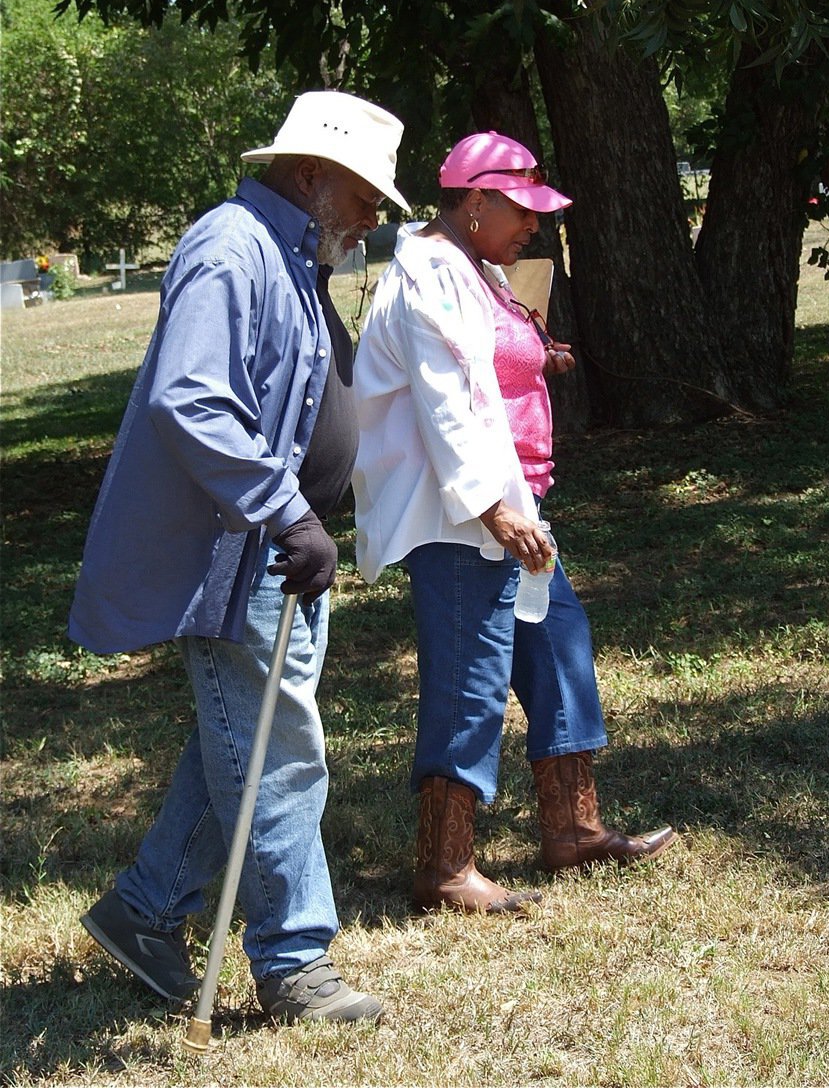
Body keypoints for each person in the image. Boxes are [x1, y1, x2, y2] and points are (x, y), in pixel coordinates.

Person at [69, 90, 410, 1022]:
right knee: (280, 755)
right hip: (249, 546)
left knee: (240, 744)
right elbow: (191, 397)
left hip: (276, 547)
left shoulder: (291, 257)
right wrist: (287, 510)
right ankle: (296, 965)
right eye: (368, 194)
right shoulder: (232, 248)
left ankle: (144, 911)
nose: (376, 216)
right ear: (313, 178)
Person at [352, 131, 676, 914]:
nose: (533, 226)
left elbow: (488, 369)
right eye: (521, 211)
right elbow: (442, 401)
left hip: (511, 505)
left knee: (558, 641)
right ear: (473, 204)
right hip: (462, 515)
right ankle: (444, 868)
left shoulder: (475, 268)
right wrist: (491, 508)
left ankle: (573, 830)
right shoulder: (426, 276)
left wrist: (539, 358)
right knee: (469, 680)